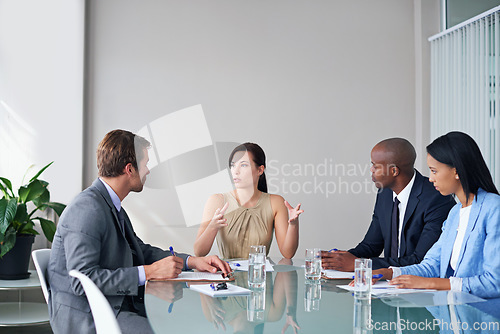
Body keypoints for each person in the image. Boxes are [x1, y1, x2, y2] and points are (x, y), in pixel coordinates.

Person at [47, 130, 231, 334]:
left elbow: (140, 250)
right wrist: (150, 272)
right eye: (145, 164)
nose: (148, 171)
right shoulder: (87, 209)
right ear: (129, 169)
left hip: (115, 303)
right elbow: (82, 280)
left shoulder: (110, 204)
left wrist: (192, 261)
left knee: (182, 321)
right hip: (88, 315)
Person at [373, 131, 500, 298]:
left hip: (482, 317)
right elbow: (431, 265)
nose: (431, 179)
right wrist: (389, 273)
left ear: (456, 171)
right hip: (453, 315)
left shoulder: (493, 208)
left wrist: (433, 283)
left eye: (434, 171)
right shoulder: (455, 213)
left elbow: (494, 282)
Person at [322, 138, 454, 271]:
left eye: (376, 166)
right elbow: (371, 246)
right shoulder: (384, 193)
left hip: (419, 284)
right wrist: (338, 259)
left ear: (394, 171)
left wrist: (360, 264)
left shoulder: (437, 198)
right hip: (389, 284)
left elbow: (420, 260)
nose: (371, 169)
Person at [194, 143, 303, 259]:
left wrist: (293, 225)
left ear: (260, 170)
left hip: (260, 275)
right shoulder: (217, 201)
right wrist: (212, 226)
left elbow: (288, 254)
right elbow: (199, 252)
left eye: (243, 165)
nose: (236, 171)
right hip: (228, 274)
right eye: (233, 165)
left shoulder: (276, 202)